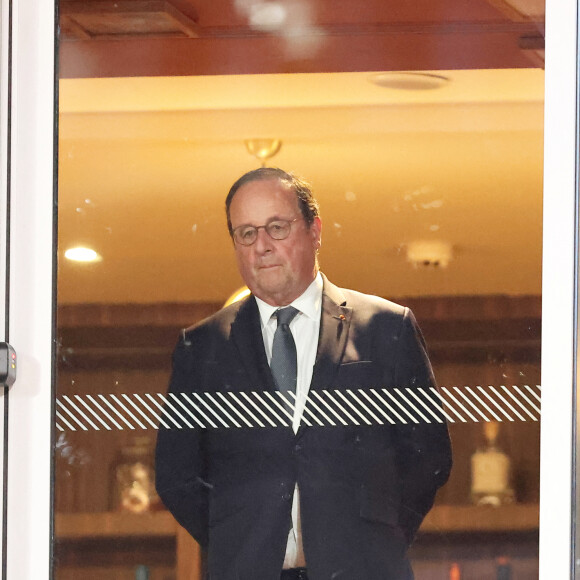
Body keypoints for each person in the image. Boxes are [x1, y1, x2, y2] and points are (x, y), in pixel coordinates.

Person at [155, 167, 452, 580]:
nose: (261, 246)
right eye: (246, 233)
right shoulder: (201, 347)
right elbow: (177, 476)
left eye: (276, 228)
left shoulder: (387, 328)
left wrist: (378, 537)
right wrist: (238, 537)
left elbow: (428, 457)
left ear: (315, 230)